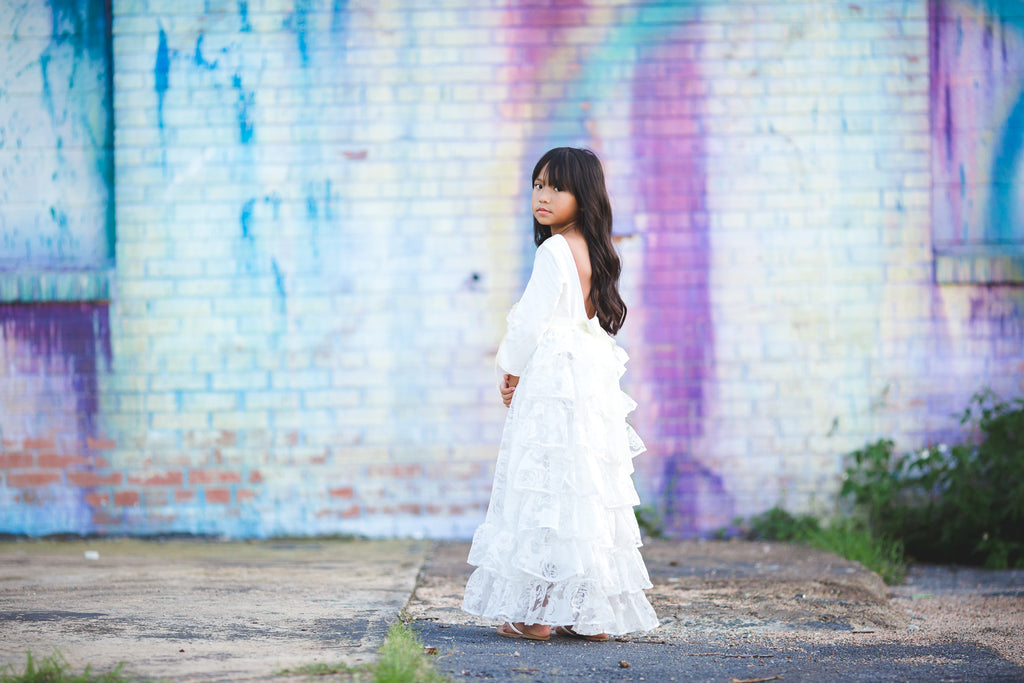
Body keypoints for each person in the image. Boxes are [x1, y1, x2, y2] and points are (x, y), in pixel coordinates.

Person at [461, 147, 660, 642]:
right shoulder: (595, 248)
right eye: (538, 185)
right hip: (589, 377)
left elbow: (530, 320)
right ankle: (585, 612)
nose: (542, 197)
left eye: (557, 188)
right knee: (582, 487)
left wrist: (509, 367)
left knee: (545, 488)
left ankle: (534, 615)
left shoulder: (553, 251)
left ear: (583, 195)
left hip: (554, 378)